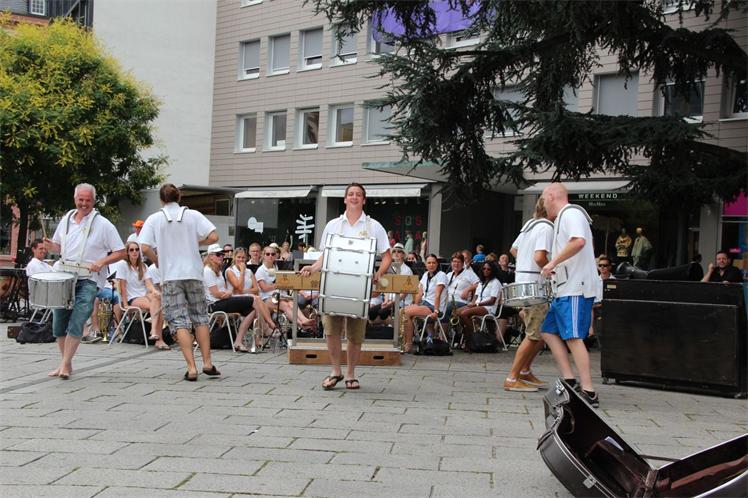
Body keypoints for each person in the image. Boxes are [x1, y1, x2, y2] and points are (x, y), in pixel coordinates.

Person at [300, 183, 392, 390]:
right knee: (331, 329)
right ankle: (335, 371)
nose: (354, 197)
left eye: (358, 194)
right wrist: (312, 268)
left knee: (355, 333)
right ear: (345, 199)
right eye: (350, 194)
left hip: (360, 286)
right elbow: (325, 255)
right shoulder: (333, 225)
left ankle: (351, 373)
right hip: (333, 283)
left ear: (364, 200)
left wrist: (379, 273)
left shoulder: (374, 226)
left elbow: (387, 256)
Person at [138, 183, 220, 381]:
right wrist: (196, 242)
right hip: (193, 273)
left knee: (178, 320)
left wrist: (157, 260)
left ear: (161, 200)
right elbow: (214, 236)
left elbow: (144, 246)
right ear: (179, 197)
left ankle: (191, 368)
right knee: (200, 317)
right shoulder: (193, 215)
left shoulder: (155, 218)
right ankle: (207, 362)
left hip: (171, 275)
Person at [43, 183, 125, 379]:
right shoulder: (66, 220)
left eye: (88, 200)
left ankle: (64, 365)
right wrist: (51, 246)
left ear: (94, 201)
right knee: (59, 322)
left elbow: (120, 251)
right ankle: (66, 363)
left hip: (89, 278)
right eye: (81, 200)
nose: (84, 204)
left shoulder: (104, 224)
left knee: (79, 318)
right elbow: (59, 247)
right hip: (64, 276)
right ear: (75, 199)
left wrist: (102, 261)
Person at [540, 183, 601, 408]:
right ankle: (569, 380)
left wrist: (552, 262)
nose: (543, 204)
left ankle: (589, 391)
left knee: (573, 337)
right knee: (548, 331)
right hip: (566, 287)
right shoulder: (564, 217)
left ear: (551, 196)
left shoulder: (571, 213)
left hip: (576, 287)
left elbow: (579, 241)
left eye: (543, 199)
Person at [504, 197, 553, 392]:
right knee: (534, 334)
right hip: (536, 286)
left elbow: (513, 249)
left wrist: (525, 264)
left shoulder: (529, 225)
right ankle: (512, 377)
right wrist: (553, 270)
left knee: (541, 333)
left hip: (524, 284)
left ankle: (524, 371)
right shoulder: (545, 227)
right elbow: (540, 257)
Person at [203, 243, 275, 352]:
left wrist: (228, 292)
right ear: (211, 256)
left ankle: (238, 341)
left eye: (222, 254)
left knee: (252, 309)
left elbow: (254, 289)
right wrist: (230, 292)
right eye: (218, 254)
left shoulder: (217, 270)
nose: (221, 256)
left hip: (224, 299)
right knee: (255, 299)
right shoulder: (208, 271)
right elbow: (216, 293)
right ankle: (268, 327)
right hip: (214, 303)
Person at [113, 241, 169, 350]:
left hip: (145, 296)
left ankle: (155, 333)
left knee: (157, 298)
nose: (135, 252)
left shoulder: (143, 266)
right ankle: (157, 337)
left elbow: (149, 284)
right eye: (131, 250)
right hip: (131, 298)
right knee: (157, 303)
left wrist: (154, 291)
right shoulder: (122, 265)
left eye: (137, 249)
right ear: (127, 252)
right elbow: (122, 286)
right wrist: (125, 304)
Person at [402, 254, 447, 353]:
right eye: (429, 263)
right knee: (401, 311)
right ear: (425, 264)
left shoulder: (441, 275)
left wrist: (436, 311)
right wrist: (415, 304)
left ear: (437, 264)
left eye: (433, 263)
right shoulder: (426, 274)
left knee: (405, 313)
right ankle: (404, 341)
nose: (431, 265)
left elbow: (438, 295)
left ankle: (408, 344)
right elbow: (420, 293)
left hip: (434, 307)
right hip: (424, 304)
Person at [454, 261, 502, 350]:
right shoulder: (481, 282)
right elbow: (476, 297)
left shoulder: (495, 282)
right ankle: (466, 336)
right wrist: (472, 304)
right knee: (457, 312)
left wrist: (476, 304)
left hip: (488, 308)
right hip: (478, 305)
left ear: (493, 271)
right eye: (484, 268)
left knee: (464, 314)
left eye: (488, 269)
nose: (486, 270)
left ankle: (472, 337)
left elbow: (492, 301)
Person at [444, 252, 479, 319]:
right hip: (448, 302)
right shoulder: (448, 275)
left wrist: (468, 289)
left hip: (462, 302)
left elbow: (479, 284)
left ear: (463, 264)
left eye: (458, 262)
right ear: (451, 263)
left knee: (446, 308)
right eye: (454, 261)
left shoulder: (469, 273)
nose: (456, 264)